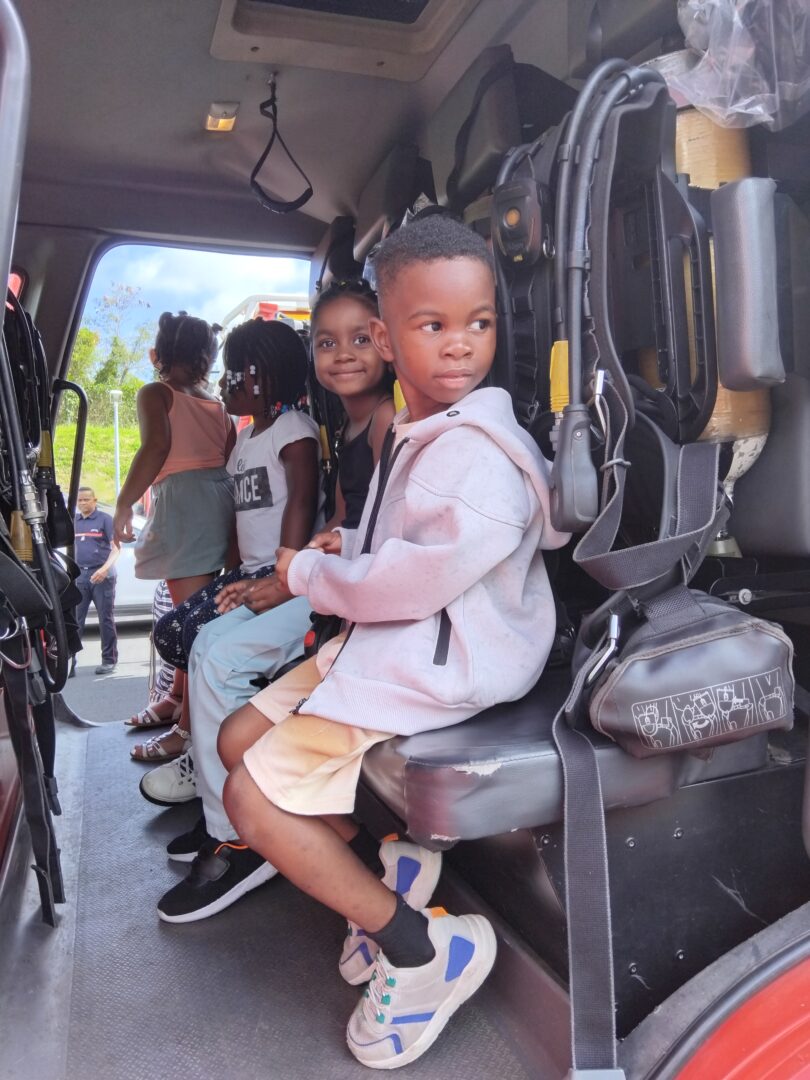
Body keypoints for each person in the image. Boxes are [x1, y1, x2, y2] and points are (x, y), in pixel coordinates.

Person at [217, 215, 570, 1069]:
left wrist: (309, 573)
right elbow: (406, 553)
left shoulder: (477, 453)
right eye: (433, 325)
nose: (461, 345)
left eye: (478, 323)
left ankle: (421, 951)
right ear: (388, 338)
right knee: (235, 738)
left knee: (250, 800)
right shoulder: (421, 430)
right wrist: (349, 545)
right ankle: (384, 876)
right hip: (396, 641)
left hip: (441, 662)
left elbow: (415, 583)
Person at [147, 279, 397, 924]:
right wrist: (292, 567)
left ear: (388, 340)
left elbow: (379, 534)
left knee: (217, 656)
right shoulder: (346, 424)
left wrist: (291, 578)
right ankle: (224, 815)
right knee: (203, 642)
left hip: (345, 590)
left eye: (361, 338)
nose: (343, 353)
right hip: (322, 575)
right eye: (326, 343)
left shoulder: (385, 421)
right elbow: (341, 521)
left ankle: (239, 835)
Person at [130, 317, 322, 762]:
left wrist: (284, 573)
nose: (221, 382)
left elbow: (300, 503)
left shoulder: (294, 430)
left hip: (277, 572)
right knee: (171, 629)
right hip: (248, 570)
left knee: (199, 632)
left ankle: (196, 736)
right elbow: (240, 513)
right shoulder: (244, 438)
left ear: (262, 377)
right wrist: (231, 572)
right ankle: (200, 728)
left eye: (232, 370)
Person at [114, 311, 235, 740]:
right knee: (194, 612)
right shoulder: (217, 404)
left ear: (159, 352)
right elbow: (228, 457)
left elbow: (156, 447)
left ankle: (188, 728)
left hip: (184, 507)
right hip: (219, 502)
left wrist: (124, 503)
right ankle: (176, 698)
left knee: (194, 624)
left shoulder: (156, 394)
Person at [73, 485, 120, 675]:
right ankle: (70, 662)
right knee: (75, 621)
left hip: (102, 576)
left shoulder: (105, 519)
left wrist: (104, 569)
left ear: (95, 500)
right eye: (80, 500)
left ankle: (109, 660)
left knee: (105, 619)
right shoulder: (74, 521)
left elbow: (116, 548)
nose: (83, 503)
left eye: (86, 499)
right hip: (80, 576)